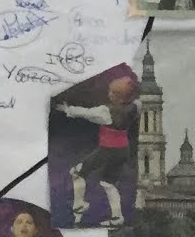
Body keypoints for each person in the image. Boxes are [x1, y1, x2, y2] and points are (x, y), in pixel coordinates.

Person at [55, 69, 139, 225]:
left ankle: (79, 207)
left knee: (77, 173)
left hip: (108, 150)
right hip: (123, 150)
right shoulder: (134, 107)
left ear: (118, 97)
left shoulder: (106, 112)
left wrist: (68, 109)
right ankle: (117, 217)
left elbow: (87, 113)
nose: (109, 94)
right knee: (108, 183)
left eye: (112, 92)